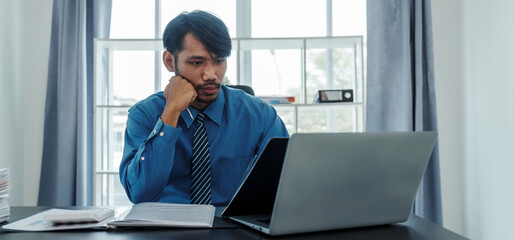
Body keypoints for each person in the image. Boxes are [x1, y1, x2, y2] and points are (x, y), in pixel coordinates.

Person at [119, 10, 289, 207]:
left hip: (232, 227)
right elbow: (140, 193)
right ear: (169, 61)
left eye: (219, 61)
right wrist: (171, 112)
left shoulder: (260, 115)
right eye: (197, 62)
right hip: (166, 228)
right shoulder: (144, 115)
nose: (211, 74)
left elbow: (286, 185)